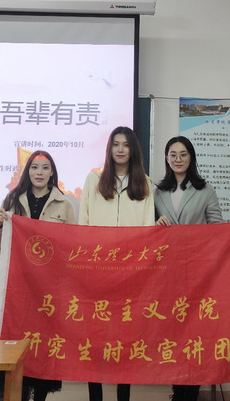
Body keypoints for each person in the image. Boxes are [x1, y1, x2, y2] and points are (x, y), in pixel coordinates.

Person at [153, 136, 230, 401]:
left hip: (198, 275)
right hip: (167, 274)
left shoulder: (206, 190)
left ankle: (190, 392)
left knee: (195, 332)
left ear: (191, 157)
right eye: (173, 154)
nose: (178, 159)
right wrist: (156, 222)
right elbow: (148, 232)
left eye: (183, 154)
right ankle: (178, 390)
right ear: (166, 158)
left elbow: (217, 229)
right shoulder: (157, 191)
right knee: (173, 333)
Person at [0, 150, 76, 401]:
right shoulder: (13, 199)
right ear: (27, 171)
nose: (39, 172)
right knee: (20, 340)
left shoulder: (64, 204)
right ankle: (21, 393)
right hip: (20, 285)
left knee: (46, 342)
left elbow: (72, 245)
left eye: (45, 168)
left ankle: (40, 396)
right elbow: (0, 242)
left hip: (51, 287)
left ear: (52, 173)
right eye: (34, 167)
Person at [78, 126, 155, 401]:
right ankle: (95, 396)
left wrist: (140, 269)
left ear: (133, 150)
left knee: (126, 339)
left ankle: (124, 396)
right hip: (97, 271)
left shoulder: (145, 183)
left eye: (126, 145)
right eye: (115, 144)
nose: (120, 149)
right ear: (109, 149)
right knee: (96, 338)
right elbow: (83, 225)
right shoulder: (93, 180)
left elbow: (148, 228)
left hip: (131, 273)